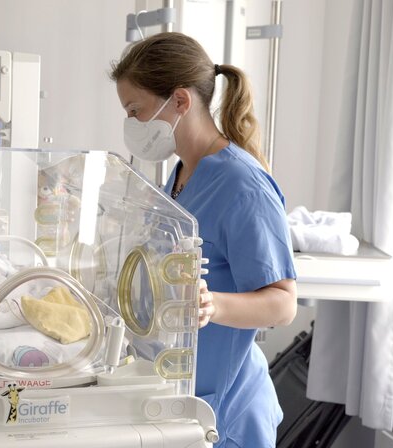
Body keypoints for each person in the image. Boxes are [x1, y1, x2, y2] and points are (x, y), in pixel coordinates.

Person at [110, 32, 298, 448]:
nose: (132, 124)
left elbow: (283, 304)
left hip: (226, 413)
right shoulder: (179, 176)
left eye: (135, 111)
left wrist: (212, 305)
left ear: (179, 100)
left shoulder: (242, 185)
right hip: (181, 394)